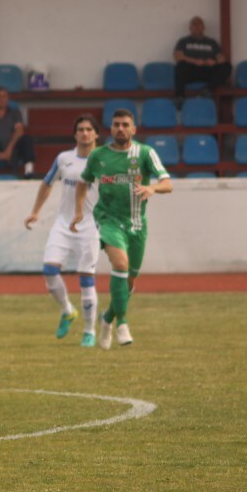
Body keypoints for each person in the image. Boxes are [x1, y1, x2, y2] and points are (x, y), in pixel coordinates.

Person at [71, 108, 172, 350]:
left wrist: (152, 189)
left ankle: (106, 318)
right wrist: (78, 212)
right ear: (111, 128)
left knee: (129, 281)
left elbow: (167, 183)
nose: (120, 129)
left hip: (137, 224)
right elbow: (83, 183)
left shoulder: (146, 153)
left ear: (133, 129)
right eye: (116, 124)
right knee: (120, 265)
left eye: (125, 125)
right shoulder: (99, 156)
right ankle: (122, 324)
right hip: (108, 219)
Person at [25, 115, 102, 347]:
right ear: (75, 134)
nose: (85, 133)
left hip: (90, 225)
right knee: (49, 270)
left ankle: (89, 331)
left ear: (96, 134)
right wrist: (35, 212)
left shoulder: (104, 160)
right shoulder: (64, 158)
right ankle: (68, 310)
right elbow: (47, 183)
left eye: (89, 129)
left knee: (86, 279)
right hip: (63, 223)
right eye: (81, 129)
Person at [172, 16, 232, 102]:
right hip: (191, 71)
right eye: (194, 24)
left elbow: (221, 58)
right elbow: (177, 57)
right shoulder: (183, 41)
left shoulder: (211, 42)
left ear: (203, 27)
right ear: (190, 28)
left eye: (199, 25)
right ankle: (179, 97)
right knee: (180, 66)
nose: (197, 27)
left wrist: (214, 62)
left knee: (227, 66)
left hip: (207, 70)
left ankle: (207, 90)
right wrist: (194, 61)